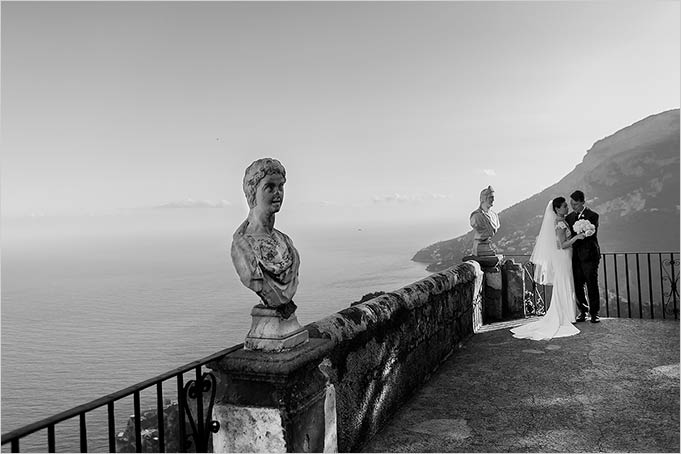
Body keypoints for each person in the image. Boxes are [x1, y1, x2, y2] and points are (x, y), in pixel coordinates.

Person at [231, 158, 300, 319]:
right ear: (252, 192)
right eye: (270, 187)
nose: (278, 193)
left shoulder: (285, 241)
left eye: (281, 186)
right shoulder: (244, 246)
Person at [511, 197, 585, 340]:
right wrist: (577, 238)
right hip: (563, 257)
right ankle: (566, 314)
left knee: (566, 282)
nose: (567, 208)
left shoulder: (562, 221)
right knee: (564, 282)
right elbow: (561, 245)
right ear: (557, 209)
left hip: (566, 257)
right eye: (564, 206)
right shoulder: (559, 223)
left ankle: (569, 313)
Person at [565, 190, 601, 323]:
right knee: (578, 285)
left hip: (590, 256)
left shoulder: (593, 216)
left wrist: (585, 232)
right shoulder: (569, 218)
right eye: (571, 204)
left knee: (592, 284)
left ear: (582, 202)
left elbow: (592, 233)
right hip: (575, 257)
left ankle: (594, 313)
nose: (573, 207)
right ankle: (583, 311)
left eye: (575, 204)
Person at [470, 186, 500, 256]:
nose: (493, 200)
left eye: (493, 197)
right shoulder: (476, 216)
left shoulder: (494, 215)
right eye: (491, 197)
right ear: (483, 199)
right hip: (479, 248)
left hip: (486, 246)